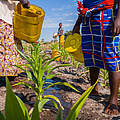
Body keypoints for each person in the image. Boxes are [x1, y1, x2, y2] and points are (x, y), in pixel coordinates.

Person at [73, 0, 120, 115]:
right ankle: (94, 89)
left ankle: (113, 100)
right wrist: (77, 23)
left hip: (106, 14)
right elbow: (85, 5)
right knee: (91, 55)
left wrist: (118, 18)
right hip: (88, 17)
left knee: (111, 55)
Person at [0, 0, 30, 80]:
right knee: (7, 47)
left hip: (12, 21)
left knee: (14, 47)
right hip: (4, 19)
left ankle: (11, 74)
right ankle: (8, 75)